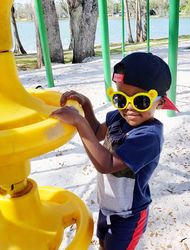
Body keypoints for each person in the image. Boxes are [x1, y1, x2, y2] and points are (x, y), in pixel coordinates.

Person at [50, 52, 178, 250]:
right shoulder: (118, 118)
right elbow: (95, 132)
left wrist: (78, 121)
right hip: (108, 206)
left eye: (140, 101)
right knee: (104, 243)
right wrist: (86, 105)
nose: (128, 108)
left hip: (129, 215)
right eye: (120, 98)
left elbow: (106, 164)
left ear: (160, 103)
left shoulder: (149, 136)